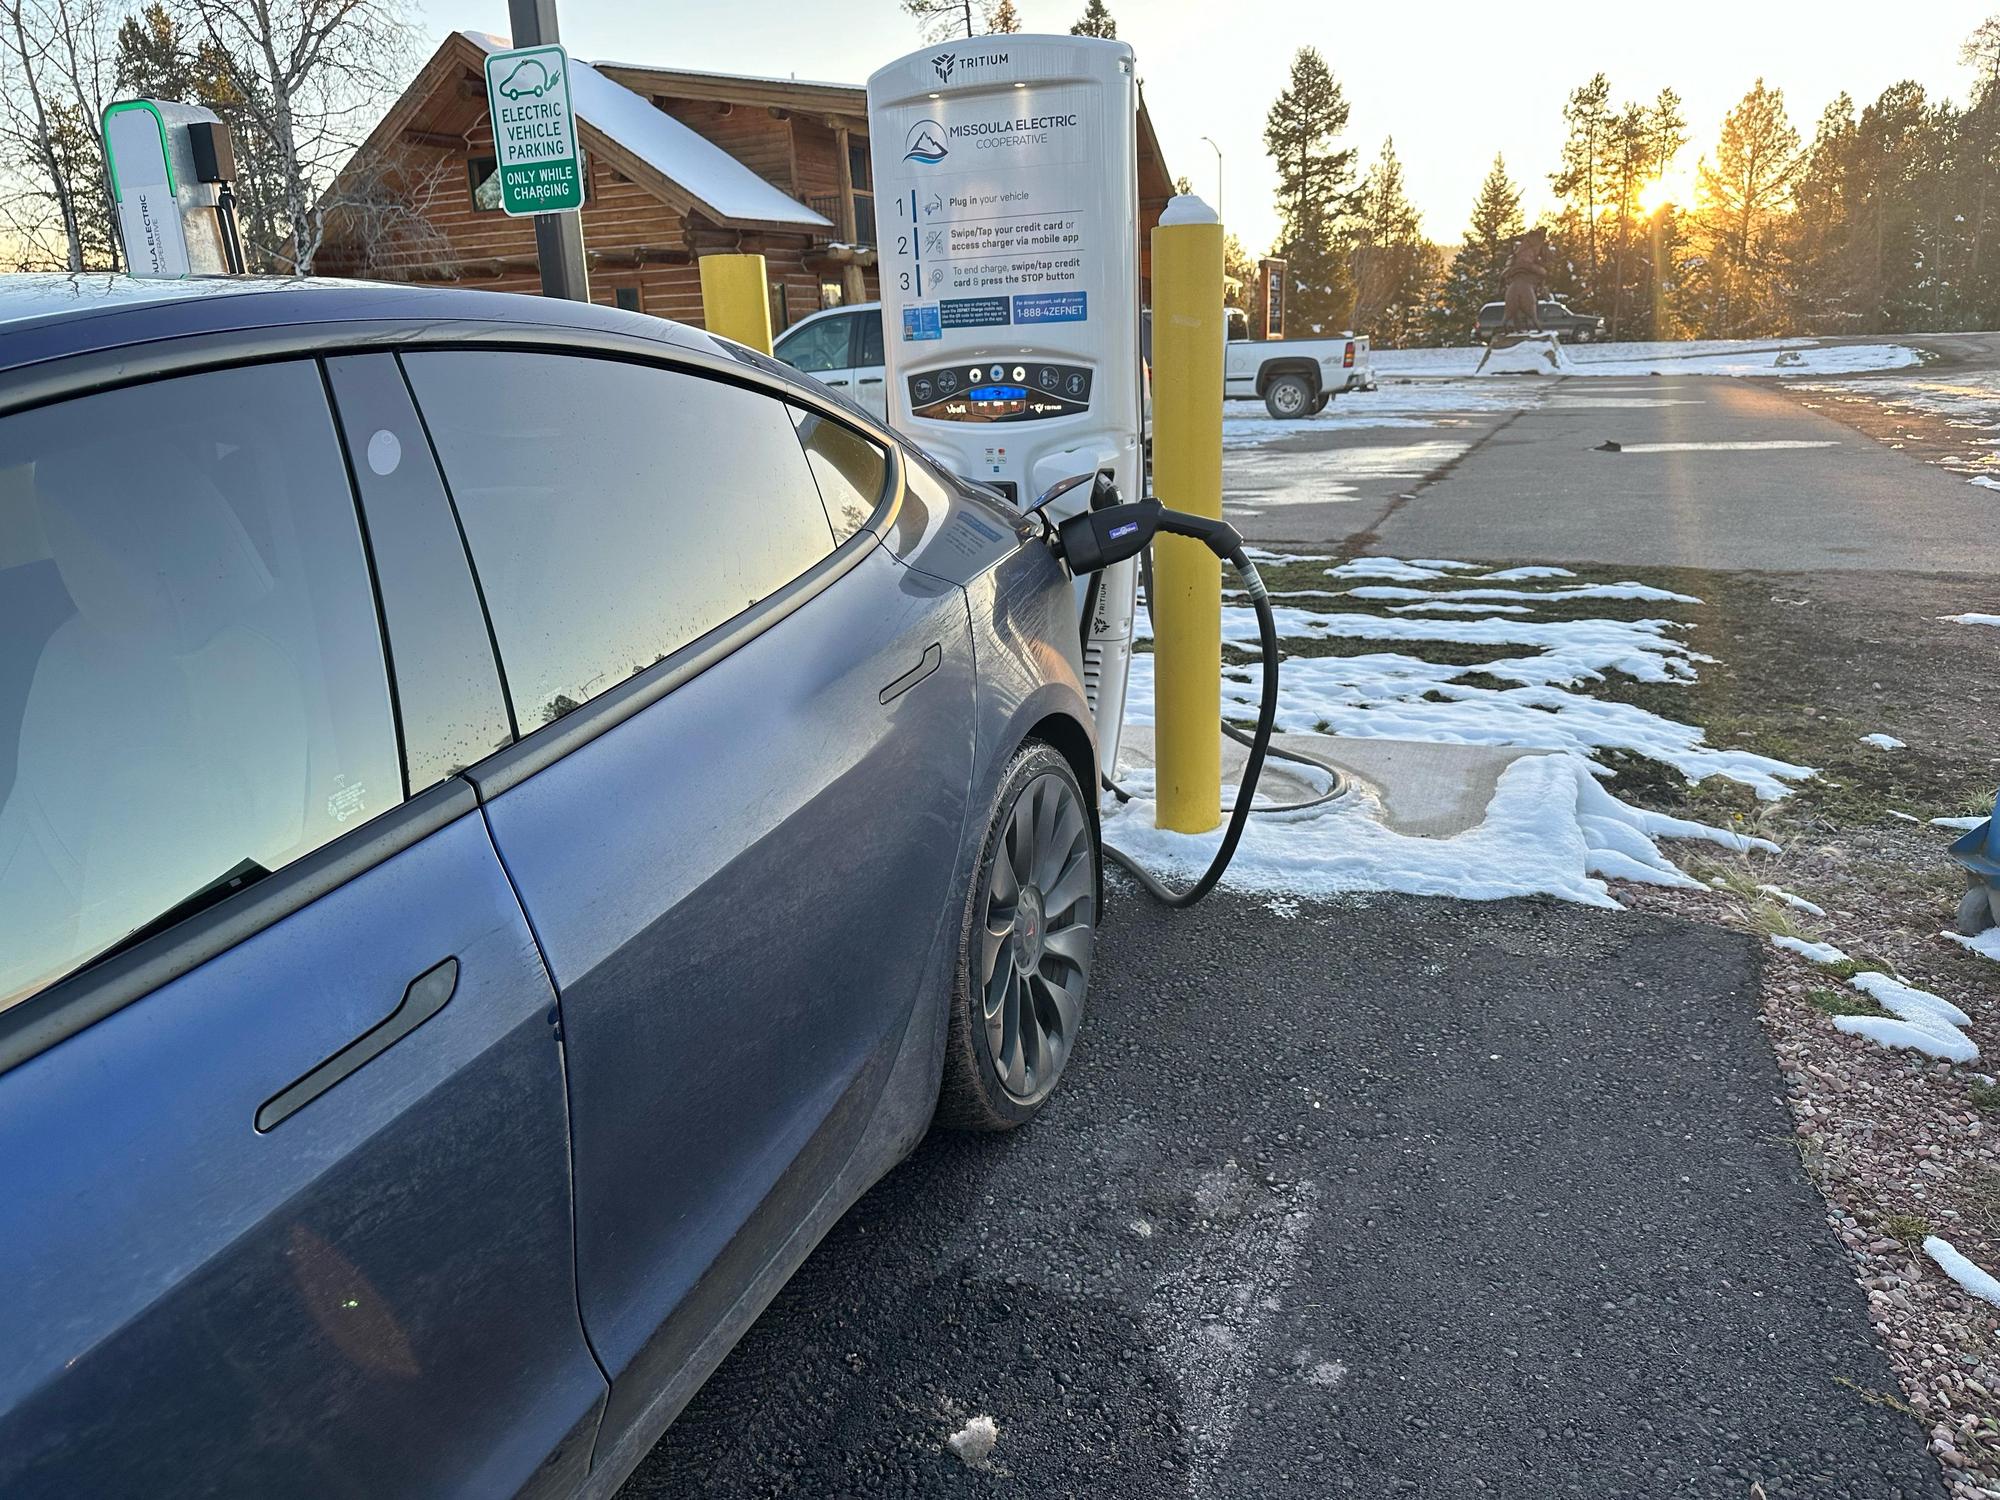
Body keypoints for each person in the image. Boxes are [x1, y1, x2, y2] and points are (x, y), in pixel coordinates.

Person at [1500, 228, 1550, 334]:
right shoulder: (1540, 242)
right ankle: (1543, 290)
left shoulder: (1526, 237)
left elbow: (1514, 239)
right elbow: (1543, 258)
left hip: (1516, 265)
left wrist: (1513, 251)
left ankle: (1501, 287)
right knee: (1544, 273)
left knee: (1504, 275)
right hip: (1529, 266)